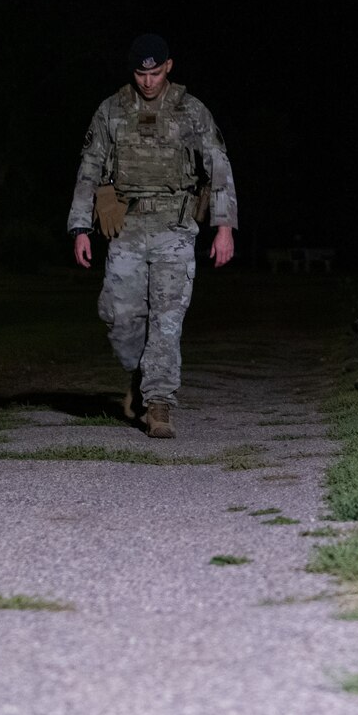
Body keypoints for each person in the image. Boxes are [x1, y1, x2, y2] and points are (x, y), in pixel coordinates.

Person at [68, 34, 237, 438]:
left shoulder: (190, 110)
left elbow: (218, 167)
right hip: (125, 226)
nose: (148, 81)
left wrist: (224, 227)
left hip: (175, 227)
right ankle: (139, 375)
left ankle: (159, 403)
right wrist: (80, 227)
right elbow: (89, 168)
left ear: (169, 67)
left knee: (167, 320)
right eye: (141, 73)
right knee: (118, 316)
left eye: (155, 72)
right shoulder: (111, 110)